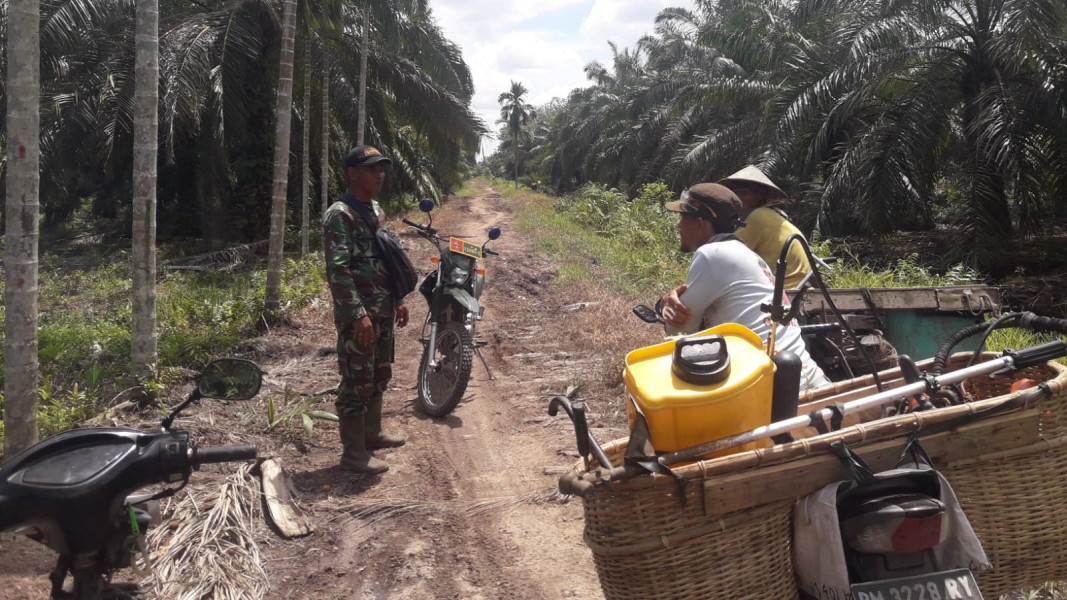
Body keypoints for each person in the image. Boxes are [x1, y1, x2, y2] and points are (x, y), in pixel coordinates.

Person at [658, 183, 830, 391]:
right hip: (808, 381)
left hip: (778, 395)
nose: (679, 226)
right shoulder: (748, 255)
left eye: (683, 218)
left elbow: (680, 329)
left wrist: (663, 306)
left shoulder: (712, 254)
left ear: (700, 222)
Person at [323, 145, 409, 474]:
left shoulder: (375, 209)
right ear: (352, 174)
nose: (379, 174)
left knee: (379, 373)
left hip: (383, 309)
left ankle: (373, 434)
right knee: (356, 379)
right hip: (359, 316)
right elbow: (338, 271)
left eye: (382, 168)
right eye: (372, 169)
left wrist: (398, 298)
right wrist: (357, 313)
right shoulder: (340, 215)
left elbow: (388, 257)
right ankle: (353, 454)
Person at [718, 165, 813, 289]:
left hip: (786, 289)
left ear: (761, 194)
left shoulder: (757, 216)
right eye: (737, 194)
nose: (740, 199)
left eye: (745, 193)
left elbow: (725, 257)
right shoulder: (775, 214)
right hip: (800, 286)